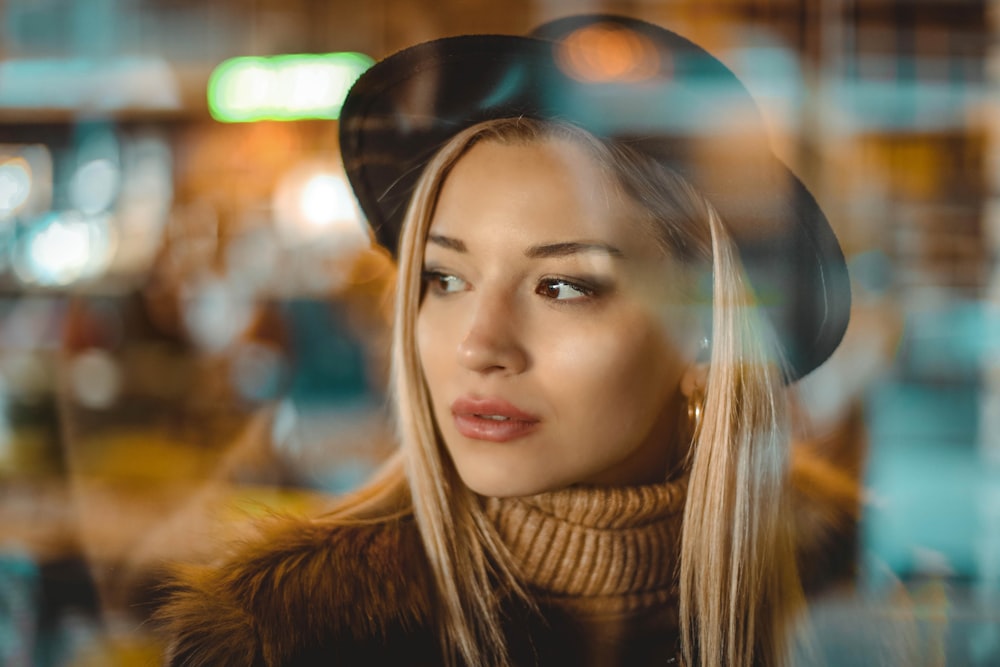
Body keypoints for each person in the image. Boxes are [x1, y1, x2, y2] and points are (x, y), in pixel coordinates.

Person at [157, 14, 856, 667]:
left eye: (561, 286)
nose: (478, 346)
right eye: (445, 278)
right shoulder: (283, 640)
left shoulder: (849, 595)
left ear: (704, 330)